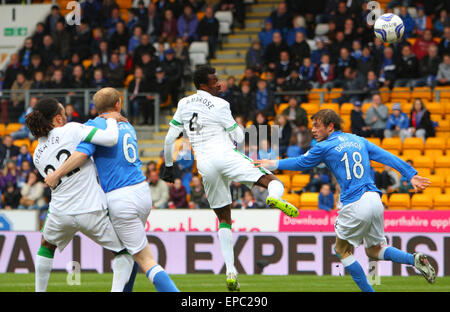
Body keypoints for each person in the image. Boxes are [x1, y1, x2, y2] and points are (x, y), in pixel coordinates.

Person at [255, 109, 436, 292]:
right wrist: (410, 174)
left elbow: (302, 163)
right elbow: (387, 156)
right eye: (312, 126)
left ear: (331, 127)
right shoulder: (359, 140)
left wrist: (273, 164)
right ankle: (412, 259)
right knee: (374, 250)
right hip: (375, 199)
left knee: (341, 250)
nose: (313, 130)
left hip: (354, 202)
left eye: (317, 126)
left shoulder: (324, 146)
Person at [161, 65, 299, 291]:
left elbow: (169, 139)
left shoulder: (184, 104)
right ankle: (273, 198)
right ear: (204, 84)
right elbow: (237, 136)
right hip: (225, 155)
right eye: (215, 81)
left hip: (204, 164)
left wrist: (168, 167)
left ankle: (231, 270)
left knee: (224, 217)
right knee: (274, 182)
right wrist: (234, 129)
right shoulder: (221, 104)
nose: (219, 84)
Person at [44, 88, 179, 292]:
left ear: (95, 108)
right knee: (129, 250)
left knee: (145, 259)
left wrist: (56, 174)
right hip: (142, 191)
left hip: (120, 197)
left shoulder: (95, 125)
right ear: (118, 104)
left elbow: (81, 155)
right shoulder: (126, 124)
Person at [25, 97, 134, 292]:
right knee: (124, 252)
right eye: (64, 115)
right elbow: (110, 138)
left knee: (46, 245)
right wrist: (111, 118)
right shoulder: (72, 129)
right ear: (58, 119)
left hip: (60, 213)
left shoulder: (37, 153)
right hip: (90, 209)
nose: (66, 118)